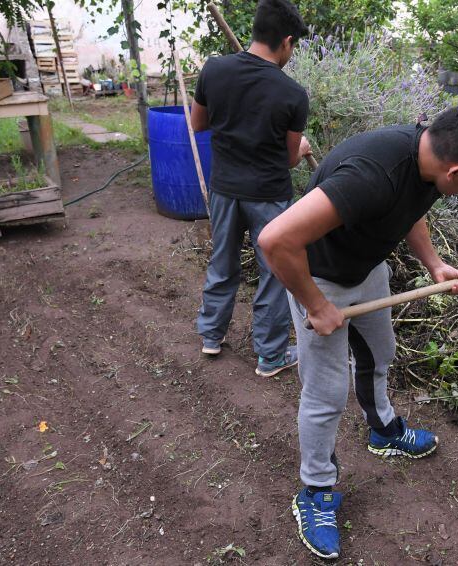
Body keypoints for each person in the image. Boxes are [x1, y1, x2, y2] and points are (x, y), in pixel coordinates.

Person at [258, 97, 458, 559]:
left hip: (367, 272)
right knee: (325, 393)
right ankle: (316, 490)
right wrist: (318, 305)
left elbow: (411, 208)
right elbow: (275, 240)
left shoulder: (426, 162)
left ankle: (382, 429)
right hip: (317, 278)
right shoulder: (371, 174)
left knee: (380, 355)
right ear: (457, 173)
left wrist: (435, 264)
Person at [190, 0, 310, 377]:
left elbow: (198, 124)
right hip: (269, 195)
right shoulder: (292, 94)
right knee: (274, 271)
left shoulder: (215, 70)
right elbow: (291, 159)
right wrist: (303, 148)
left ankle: (211, 335)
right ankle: (271, 355)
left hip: (225, 188)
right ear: (287, 41)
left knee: (222, 261)